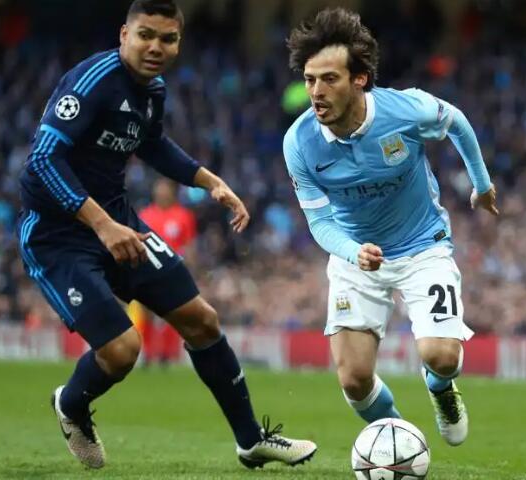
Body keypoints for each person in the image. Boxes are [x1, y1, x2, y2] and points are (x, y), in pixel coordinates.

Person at [17, 0, 316, 470]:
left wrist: (210, 182)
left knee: (202, 320)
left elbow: (153, 144)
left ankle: (251, 440)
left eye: (168, 38)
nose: (156, 47)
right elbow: (41, 160)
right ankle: (71, 404)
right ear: (124, 35)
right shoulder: (91, 81)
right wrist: (102, 224)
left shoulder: (153, 90)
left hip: (120, 224)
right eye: (146, 35)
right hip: (58, 236)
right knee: (121, 351)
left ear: (178, 43)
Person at [283, 8, 499, 447]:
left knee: (441, 356)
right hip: (356, 256)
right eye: (309, 79)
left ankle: (440, 387)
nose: (316, 92)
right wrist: (352, 252)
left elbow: (456, 122)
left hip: (423, 246)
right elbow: (319, 222)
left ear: (359, 79)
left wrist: (482, 185)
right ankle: (403, 442)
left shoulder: (404, 110)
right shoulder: (299, 143)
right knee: (354, 380)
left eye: (329, 79)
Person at [137, 178, 197, 364]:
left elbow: (189, 245)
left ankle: (167, 354)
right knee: (146, 312)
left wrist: (191, 270)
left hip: (173, 271)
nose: (161, 192)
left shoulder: (183, 215)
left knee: (174, 313)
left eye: (165, 189)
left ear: (172, 192)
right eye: (159, 189)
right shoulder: (145, 214)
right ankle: (148, 353)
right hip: (148, 271)